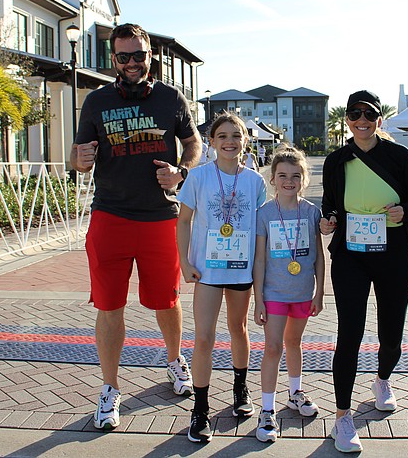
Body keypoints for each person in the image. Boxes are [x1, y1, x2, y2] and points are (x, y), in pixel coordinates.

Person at [70, 23, 201, 431]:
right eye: (124, 56)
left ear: (150, 56)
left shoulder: (170, 98)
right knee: (109, 306)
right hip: (110, 216)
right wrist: (80, 159)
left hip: (160, 217)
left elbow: (194, 143)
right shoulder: (96, 101)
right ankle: (109, 388)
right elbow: (77, 156)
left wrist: (181, 171)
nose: (132, 63)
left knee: (167, 300)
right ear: (113, 59)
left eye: (138, 55)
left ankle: (174, 360)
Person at [319, 90, 408, 453]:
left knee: (391, 333)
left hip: (393, 252)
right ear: (347, 120)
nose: (362, 120)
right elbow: (330, 203)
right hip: (351, 253)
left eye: (369, 114)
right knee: (349, 333)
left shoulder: (399, 155)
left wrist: (405, 211)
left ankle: (382, 379)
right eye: (355, 114)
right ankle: (342, 416)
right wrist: (329, 220)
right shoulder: (337, 160)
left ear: (379, 120)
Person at [176, 112, 267, 443]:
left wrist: (260, 273)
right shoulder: (198, 177)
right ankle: (200, 409)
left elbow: (260, 230)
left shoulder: (255, 181)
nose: (230, 142)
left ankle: (240, 388)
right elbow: (183, 221)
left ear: (246, 141)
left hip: (241, 268)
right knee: (204, 338)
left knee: (238, 328)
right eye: (223, 136)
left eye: (236, 135)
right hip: (208, 269)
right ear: (211, 141)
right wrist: (185, 262)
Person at [253, 145, 325, 443]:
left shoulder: (311, 212)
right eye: (282, 175)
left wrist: (320, 292)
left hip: (302, 292)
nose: (289, 181)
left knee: (294, 343)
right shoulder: (264, 213)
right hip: (274, 293)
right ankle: (267, 410)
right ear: (272, 178)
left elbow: (319, 256)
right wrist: (258, 299)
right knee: (273, 348)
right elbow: (259, 259)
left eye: (295, 176)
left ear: (303, 179)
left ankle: (295, 393)